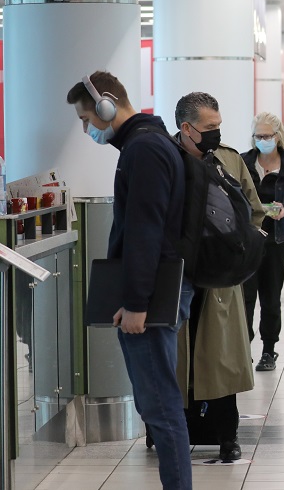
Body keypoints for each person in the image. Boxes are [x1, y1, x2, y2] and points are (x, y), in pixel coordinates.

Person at [67, 71, 194, 489]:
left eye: (88, 118)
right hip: (155, 292)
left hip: (151, 299)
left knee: (161, 406)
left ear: (107, 105)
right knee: (158, 403)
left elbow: (145, 231)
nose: (87, 129)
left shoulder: (144, 150)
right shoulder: (150, 144)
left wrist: (138, 302)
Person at [174, 92, 264, 462]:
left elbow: (254, 211)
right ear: (186, 128)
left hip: (220, 279)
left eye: (218, 126)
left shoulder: (229, 160)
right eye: (209, 128)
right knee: (175, 360)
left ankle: (228, 436)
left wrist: (239, 253)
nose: (216, 133)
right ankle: (171, 435)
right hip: (176, 277)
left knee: (221, 360)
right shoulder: (166, 161)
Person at [241, 111, 284, 371]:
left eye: (267, 135)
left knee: (270, 296)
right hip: (247, 239)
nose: (262, 140)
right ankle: (243, 349)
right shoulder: (243, 162)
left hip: (276, 240)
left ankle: (269, 350)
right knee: (245, 297)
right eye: (258, 135)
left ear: (278, 136)